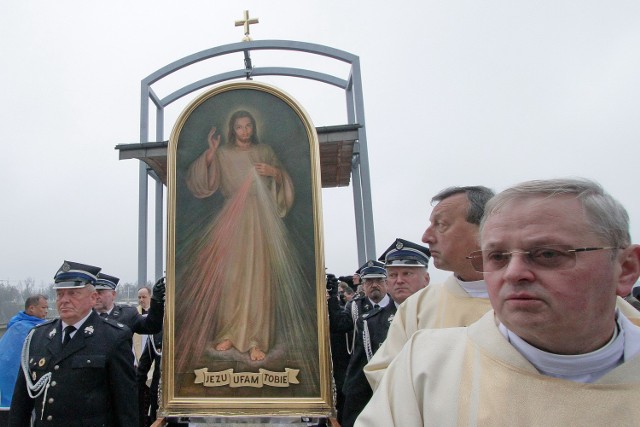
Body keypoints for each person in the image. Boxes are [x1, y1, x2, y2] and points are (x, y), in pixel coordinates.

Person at [357, 178, 640, 426]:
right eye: (498, 257)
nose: (514, 273)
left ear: (625, 268)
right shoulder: (424, 365)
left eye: (548, 254)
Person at [175, 109, 314, 370]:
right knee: (233, 276)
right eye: (239, 127)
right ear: (233, 130)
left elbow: (284, 182)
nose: (245, 131)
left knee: (259, 276)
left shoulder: (265, 151)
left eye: (248, 126)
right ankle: (228, 333)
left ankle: (256, 339)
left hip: (261, 218)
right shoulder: (224, 153)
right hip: (233, 219)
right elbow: (201, 183)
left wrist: (275, 172)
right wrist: (211, 152)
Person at [364, 186, 495, 389]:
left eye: (440, 224)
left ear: (486, 228)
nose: (426, 237)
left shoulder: (529, 300)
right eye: (393, 274)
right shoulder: (418, 307)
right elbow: (382, 373)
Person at [9, 261, 137, 426]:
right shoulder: (38, 336)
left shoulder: (113, 337)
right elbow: (21, 402)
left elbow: (126, 405)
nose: (64, 300)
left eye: (73, 294)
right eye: (60, 294)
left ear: (93, 298)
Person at [328, 260, 392, 427]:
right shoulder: (356, 306)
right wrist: (332, 297)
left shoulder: (397, 307)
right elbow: (338, 325)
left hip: (390, 375)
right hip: (361, 377)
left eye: (378, 280)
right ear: (363, 285)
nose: (374, 285)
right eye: (369, 281)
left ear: (386, 282)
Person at [0, 295, 48, 422]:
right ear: (31, 308)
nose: (46, 311)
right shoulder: (32, 330)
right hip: (21, 383)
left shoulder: (15, 325)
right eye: (43, 307)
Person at [94, 273, 164, 339]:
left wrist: (156, 300)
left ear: (113, 294)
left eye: (100, 293)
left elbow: (152, 326)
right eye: (94, 293)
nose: (96, 296)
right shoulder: (85, 315)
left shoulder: (127, 315)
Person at [379, 238, 431, 306]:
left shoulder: (443, 314)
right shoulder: (375, 316)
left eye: (407, 273)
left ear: (426, 279)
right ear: (386, 283)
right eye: (393, 275)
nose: (399, 281)